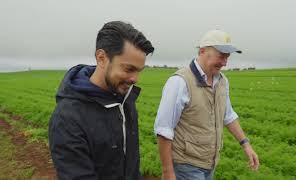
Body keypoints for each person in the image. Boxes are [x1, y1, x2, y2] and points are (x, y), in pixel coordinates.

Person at [49, 21, 154, 180]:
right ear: (102, 58)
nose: (135, 79)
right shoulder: (67, 118)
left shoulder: (125, 100)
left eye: (139, 71)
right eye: (128, 69)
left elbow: (132, 162)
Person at [154, 29, 259, 180]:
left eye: (227, 57)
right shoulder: (180, 82)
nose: (225, 63)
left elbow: (228, 115)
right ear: (202, 51)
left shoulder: (222, 81)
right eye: (221, 56)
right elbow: (164, 129)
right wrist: (167, 172)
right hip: (185, 164)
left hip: (209, 163)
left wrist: (246, 145)